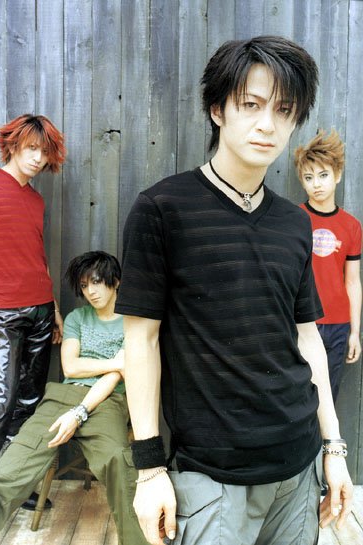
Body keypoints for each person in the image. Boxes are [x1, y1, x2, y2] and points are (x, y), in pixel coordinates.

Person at [115, 36, 354, 545]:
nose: (267, 124)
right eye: (251, 104)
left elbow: (307, 338)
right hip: (212, 476)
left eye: (284, 110)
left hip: (299, 466)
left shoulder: (294, 222)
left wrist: (333, 447)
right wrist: (149, 469)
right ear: (217, 109)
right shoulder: (162, 209)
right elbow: (140, 341)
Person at [0, 251, 149, 545]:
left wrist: (80, 412)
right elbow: (71, 367)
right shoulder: (77, 318)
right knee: (9, 471)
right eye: (84, 285)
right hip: (62, 397)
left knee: (118, 462)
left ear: (116, 281)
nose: (91, 291)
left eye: (97, 282)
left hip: (107, 401)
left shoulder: (132, 323)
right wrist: (115, 362)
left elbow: (115, 378)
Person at [0, 114, 66, 507]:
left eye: (45, 151)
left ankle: (13, 486)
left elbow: (37, 257)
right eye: (32, 148)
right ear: (13, 145)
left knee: (28, 402)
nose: (38, 158)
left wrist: (55, 308)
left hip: (41, 310)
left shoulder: (36, 200)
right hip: (4, 312)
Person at [295, 129, 362, 402]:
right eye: (308, 177)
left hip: (338, 325)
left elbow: (353, 281)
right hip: (302, 322)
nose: (316, 184)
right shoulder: (294, 219)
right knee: (299, 396)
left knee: (328, 396)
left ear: (337, 175)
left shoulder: (351, 226)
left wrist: (355, 332)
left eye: (323, 175)